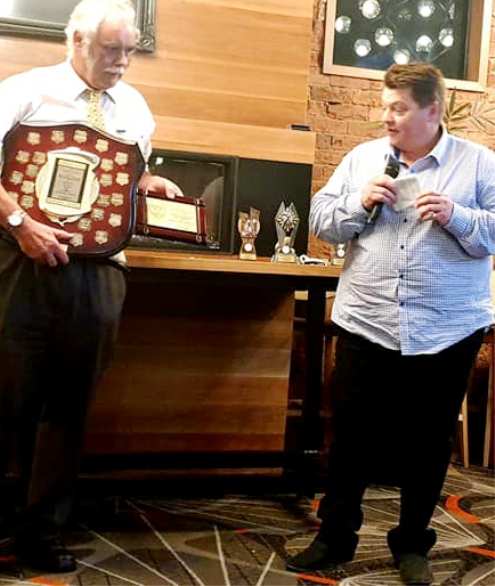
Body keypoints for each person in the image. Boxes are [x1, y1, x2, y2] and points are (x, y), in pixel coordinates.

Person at [287, 63, 495, 585]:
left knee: (427, 443)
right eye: (385, 106)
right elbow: (320, 219)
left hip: (447, 329)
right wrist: (359, 202)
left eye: (398, 108)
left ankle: (412, 545)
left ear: (432, 110)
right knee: (350, 439)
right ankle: (334, 538)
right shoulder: (362, 159)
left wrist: (456, 215)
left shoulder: (478, 166)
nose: (387, 117)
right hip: (367, 321)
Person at [0, 0, 181, 573]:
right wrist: (17, 224)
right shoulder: (24, 91)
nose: (123, 62)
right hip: (23, 263)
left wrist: (151, 182)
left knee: (69, 408)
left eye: (129, 50)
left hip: (100, 273)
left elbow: (125, 176)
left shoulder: (135, 107)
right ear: (75, 40)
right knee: (9, 397)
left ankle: (40, 532)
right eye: (111, 50)